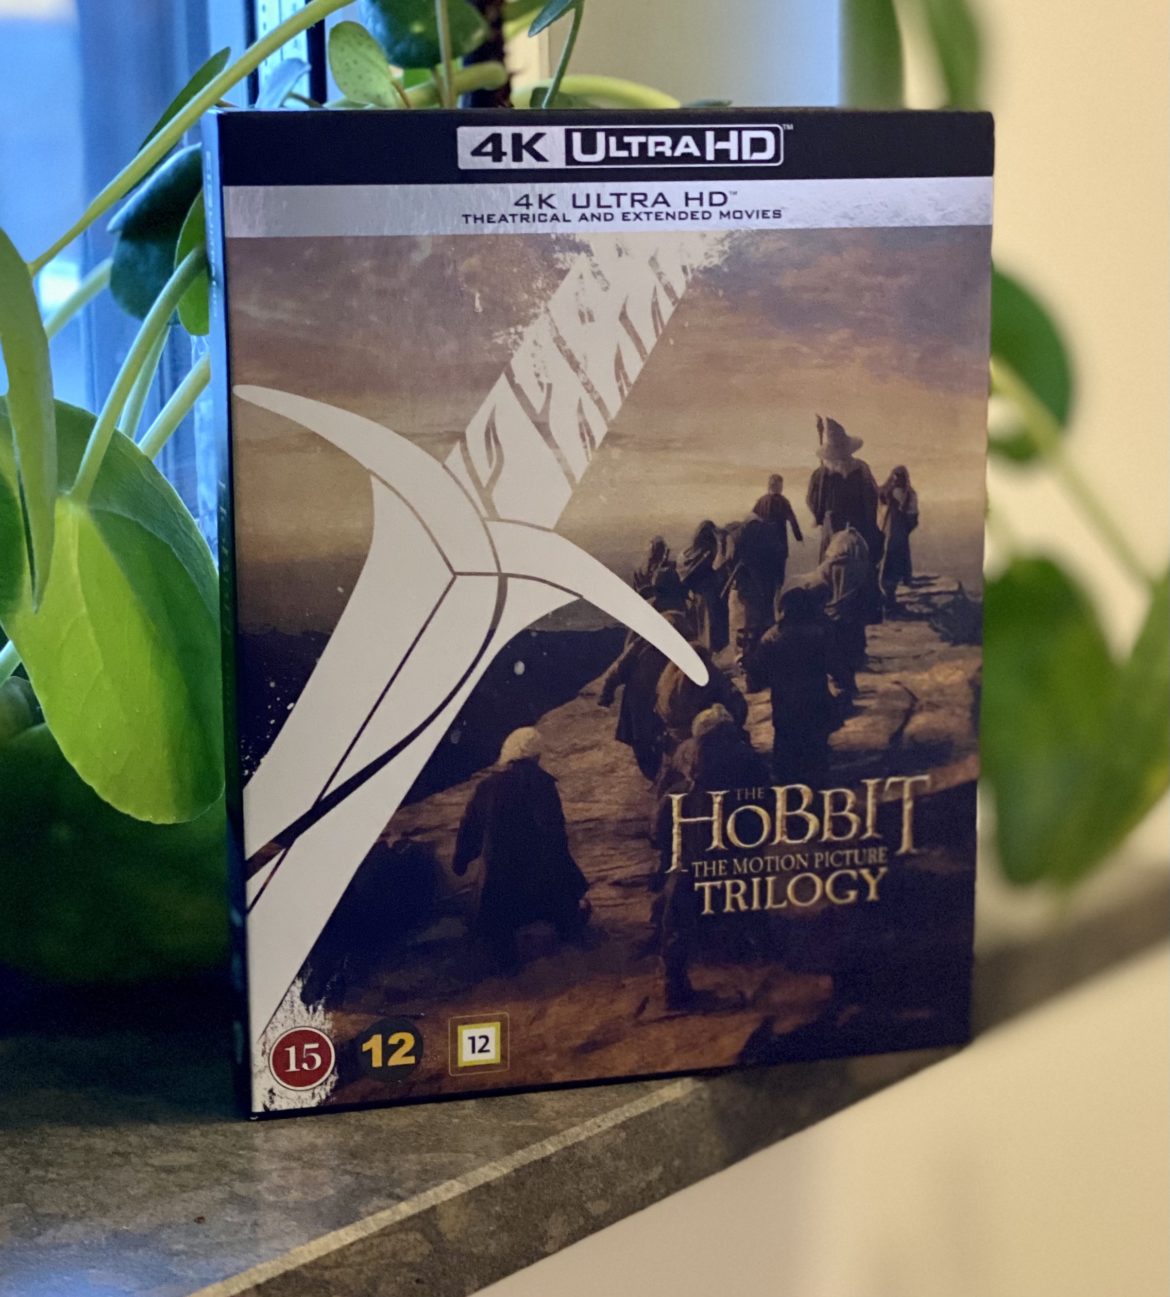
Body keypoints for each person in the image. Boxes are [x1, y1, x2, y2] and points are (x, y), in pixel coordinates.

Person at [651, 705, 770, 1009]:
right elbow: (767, 802)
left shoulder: (684, 757)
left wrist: (666, 844)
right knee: (748, 889)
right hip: (737, 844)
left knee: (677, 908)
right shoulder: (747, 757)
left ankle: (674, 983)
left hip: (693, 847)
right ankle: (756, 942)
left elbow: (662, 811)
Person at [452, 727, 589, 971]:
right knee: (565, 901)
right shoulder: (543, 784)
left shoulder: (487, 787)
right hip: (541, 878)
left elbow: (470, 829)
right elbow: (555, 833)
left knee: (496, 922)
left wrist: (461, 861)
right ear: (537, 756)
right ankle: (570, 933)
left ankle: (507, 962)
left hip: (500, 880)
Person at [745, 585, 834, 787]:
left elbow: (757, 675)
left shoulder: (772, 637)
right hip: (815, 699)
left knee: (786, 750)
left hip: (786, 703)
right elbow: (836, 664)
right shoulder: (821, 632)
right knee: (815, 752)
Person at [598, 612, 687, 779]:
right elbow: (618, 669)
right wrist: (606, 693)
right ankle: (653, 775)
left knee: (669, 739)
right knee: (641, 741)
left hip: (668, 703)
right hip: (640, 702)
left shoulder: (686, 652)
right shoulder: (641, 647)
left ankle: (667, 774)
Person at [806, 416, 881, 563]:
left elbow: (812, 500)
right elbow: (872, 497)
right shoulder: (861, 469)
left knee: (832, 562)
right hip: (854, 523)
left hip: (838, 524)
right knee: (853, 560)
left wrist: (820, 515)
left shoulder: (821, 474)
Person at [654, 638, 748, 753]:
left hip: (677, 747)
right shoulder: (708, 677)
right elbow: (738, 706)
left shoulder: (667, 683)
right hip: (708, 744)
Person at [813, 522, 871, 700]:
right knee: (851, 654)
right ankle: (849, 686)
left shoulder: (824, 569)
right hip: (853, 620)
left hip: (830, 621)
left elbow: (817, 593)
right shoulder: (861, 568)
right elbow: (871, 596)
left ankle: (840, 686)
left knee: (834, 656)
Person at [720, 514, 778, 669]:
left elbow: (726, 560)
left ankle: (744, 663)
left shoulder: (734, 538)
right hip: (758, 589)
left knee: (743, 629)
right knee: (757, 628)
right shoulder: (765, 541)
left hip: (742, 590)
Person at [752, 474, 804, 605]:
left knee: (766, 579)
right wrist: (799, 537)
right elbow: (793, 520)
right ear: (779, 486)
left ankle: (767, 606)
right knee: (778, 579)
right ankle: (778, 604)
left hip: (763, 547)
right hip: (779, 546)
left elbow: (752, 520)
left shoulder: (761, 501)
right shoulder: (783, 502)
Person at [678, 519, 729, 653]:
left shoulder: (687, 555)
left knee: (701, 631)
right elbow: (717, 568)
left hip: (696, 599)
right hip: (709, 597)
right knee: (708, 631)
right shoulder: (706, 554)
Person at [878, 465, 919, 613]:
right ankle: (889, 598)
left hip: (893, 533)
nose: (897, 479)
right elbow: (913, 517)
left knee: (891, 563)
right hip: (892, 532)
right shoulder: (890, 492)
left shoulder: (907, 494)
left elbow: (912, 515)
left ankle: (889, 598)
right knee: (890, 562)